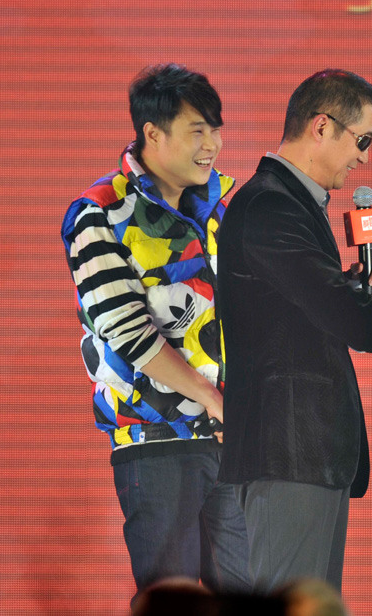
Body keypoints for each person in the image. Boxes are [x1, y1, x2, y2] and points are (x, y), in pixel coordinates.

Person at [216, 68, 372, 594]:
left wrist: (353, 286)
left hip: (305, 454)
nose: (364, 159)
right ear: (321, 126)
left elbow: (303, 306)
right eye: (363, 141)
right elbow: (336, 311)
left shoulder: (289, 202)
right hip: (288, 451)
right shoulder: (270, 204)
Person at [60, 64, 250, 601]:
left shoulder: (227, 207)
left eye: (216, 130)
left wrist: (357, 286)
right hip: (156, 441)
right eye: (198, 130)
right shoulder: (99, 213)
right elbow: (129, 333)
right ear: (153, 133)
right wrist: (213, 399)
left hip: (232, 438)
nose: (212, 145)